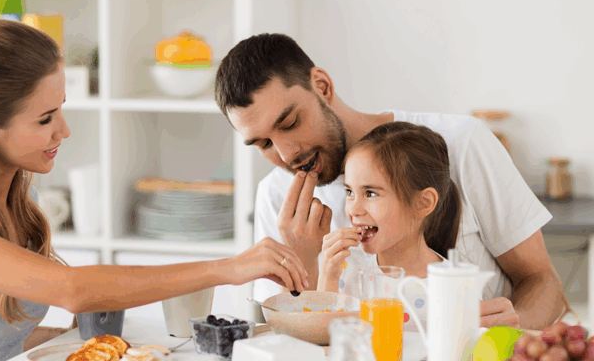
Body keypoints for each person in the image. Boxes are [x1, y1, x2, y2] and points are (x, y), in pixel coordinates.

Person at [0, 19, 308, 361]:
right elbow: (73, 290)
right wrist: (229, 267)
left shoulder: (14, 200)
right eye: (45, 118)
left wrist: (87, 343)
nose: (63, 130)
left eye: (62, 109)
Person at [215, 33, 567, 329]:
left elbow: (543, 282)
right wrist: (304, 263)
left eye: (290, 123)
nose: (287, 154)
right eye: (262, 144)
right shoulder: (277, 198)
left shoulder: (461, 143)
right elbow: (290, 339)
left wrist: (511, 327)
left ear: (321, 86)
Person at [316, 121, 460, 331]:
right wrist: (328, 276)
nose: (354, 210)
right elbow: (324, 344)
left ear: (423, 203)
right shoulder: (346, 269)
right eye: (349, 192)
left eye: (371, 193)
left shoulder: (456, 285)